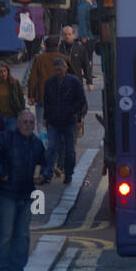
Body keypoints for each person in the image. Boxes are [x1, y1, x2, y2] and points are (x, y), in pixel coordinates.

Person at [0, 110, 47, 271]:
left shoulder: (37, 144)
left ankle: (17, 269)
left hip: (26, 194)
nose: (28, 125)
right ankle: (3, 269)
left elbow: (45, 162)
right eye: (24, 122)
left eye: (31, 123)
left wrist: (44, 175)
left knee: (23, 235)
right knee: (6, 233)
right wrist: (2, 173)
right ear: (18, 123)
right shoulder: (6, 138)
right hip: (8, 193)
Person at [40, 57, 87, 185]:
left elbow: (81, 100)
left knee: (70, 150)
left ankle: (68, 174)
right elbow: (47, 101)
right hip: (54, 121)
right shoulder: (49, 83)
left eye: (60, 69)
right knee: (51, 148)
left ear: (66, 68)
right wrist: (46, 117)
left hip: (69, 121)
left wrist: (75, 115)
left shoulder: (74, 81)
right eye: (56, 70)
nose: (58, 72)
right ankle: (47, 174)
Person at [0, 62, 26, 132]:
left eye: (5, 71)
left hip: (13, 117)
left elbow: (21, 99)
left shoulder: (14, 83)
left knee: (11, 138)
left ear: (8, 71)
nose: (3, 74)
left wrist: (22, 114)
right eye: (0, 72)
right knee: (0, 138)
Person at [57, 24, 94, 89]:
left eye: (69, 34)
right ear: (62, 36)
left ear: (73, 35)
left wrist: (89, 82)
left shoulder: (79, 48)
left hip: (77, 81)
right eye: (65, 34)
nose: (67, 36)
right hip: (62, 83)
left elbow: (86, 65)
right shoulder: (59, 49)